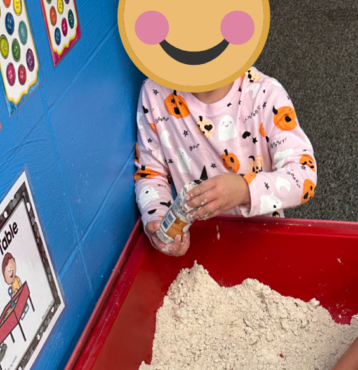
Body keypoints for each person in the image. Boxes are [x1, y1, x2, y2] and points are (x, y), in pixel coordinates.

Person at [134, 64, 317, 256]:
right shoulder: (154, 93)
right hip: (198, 248)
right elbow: (151, 174)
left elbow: (304, 176)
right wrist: (159, 218)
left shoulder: (266, 93)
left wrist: (245, 189)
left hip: (262, 240)